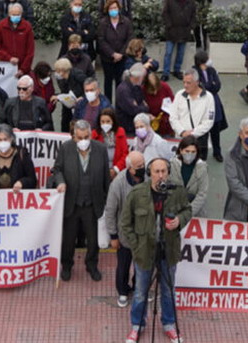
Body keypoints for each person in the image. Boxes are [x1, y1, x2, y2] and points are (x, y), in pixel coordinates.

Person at [120, 156, 192, 343]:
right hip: (144, 252)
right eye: (156, 172)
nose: (161, 176)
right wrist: (136, 246)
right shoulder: (137, 194)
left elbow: (187, 210)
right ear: (149, 174)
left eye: (164, 171)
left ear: (168, 172)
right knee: (141, 291)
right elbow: (126, 223)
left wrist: (179, 221)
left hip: (168, 251)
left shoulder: (177, 192)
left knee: (168, 291)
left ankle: (169, 325)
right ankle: (137, 325)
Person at [51, 120, 111, 282]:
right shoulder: (66, 148)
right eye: (79, 138)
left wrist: (107, 202)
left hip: (93, 204)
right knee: (68, 239)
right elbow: (57, 169)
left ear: (90, 135)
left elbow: (106, 176)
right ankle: (67, 265)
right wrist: (61, 181)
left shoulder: (100, 149)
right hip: (72, 203)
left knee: (93, 240)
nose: (83, 141)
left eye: (86, 137)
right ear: (74, 136)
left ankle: (92, 265)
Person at [105, 150, 146, 308]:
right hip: (124, 235)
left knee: (141, 265)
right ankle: (122, 291)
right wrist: (113, 236)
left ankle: (138, 288)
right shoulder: (118, 183)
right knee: (123, 265)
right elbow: (110, 210)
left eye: (143, 164)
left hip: (143, 234)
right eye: (138, 166)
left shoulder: (148, 178)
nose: (142, 168)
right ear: (130, 168)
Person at [168, 70, 214, 157]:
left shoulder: (208, 97)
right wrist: (182, 132)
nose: (185, 85)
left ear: (197, 82)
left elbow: (208, 121)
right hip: (181, 141)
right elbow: (173, 117)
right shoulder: (179, 95)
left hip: (200, 142)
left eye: (188, 83)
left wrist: (192, 133)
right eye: (184, 82)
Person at [0, 124, 36, 190]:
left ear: (11, 139)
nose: (3, 142)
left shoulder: (22, 154)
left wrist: (22, 183)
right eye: (0, 140)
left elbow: (32, 180)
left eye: (5, 139)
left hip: (18, 198)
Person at [159, 0, 196, 80]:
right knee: (168, 53)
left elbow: (194, 15)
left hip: (184, 31)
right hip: (171, 31)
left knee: (180, 53)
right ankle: (165, 73)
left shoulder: (191, 0)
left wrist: (191, 27)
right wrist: (169, 25)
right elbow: (165, 13)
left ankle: (177, 70)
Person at [98, 0, 132, 99]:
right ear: (107, 10)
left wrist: (121, 54)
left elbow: (129, 38)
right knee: (108, 81)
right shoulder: (103, 23)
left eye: (115, 8)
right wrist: (112, 54)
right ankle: (108, 105)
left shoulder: (126, 22)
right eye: (111, 8)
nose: (113, 10)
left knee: (120, 82)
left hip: (122, 58)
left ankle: (119, 105)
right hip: (107, 58)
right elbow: (101, 40)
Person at [0, 3, 35, 77]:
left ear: (21, 14)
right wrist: (8, 58)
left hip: (23, 68)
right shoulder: (1, 26)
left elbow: (30, 50)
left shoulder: (27, 27)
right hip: (6, 66)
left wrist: (23, 69)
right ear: (9, 14)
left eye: (18, 15)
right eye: (13, 14)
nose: (16, 17)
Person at [169, 135, 208, 216]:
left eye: (193, 152)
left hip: (195, 213)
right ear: (181, 150)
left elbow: (202, 193)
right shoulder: (172, 164)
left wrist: (188, 213)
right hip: (174, 211)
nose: (190, 154)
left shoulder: (202, 167)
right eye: (187, 151)